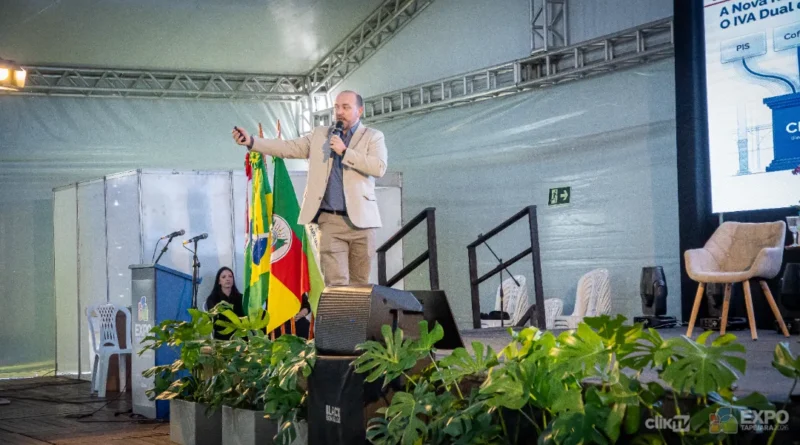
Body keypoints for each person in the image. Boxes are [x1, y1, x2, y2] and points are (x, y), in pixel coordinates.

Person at [231, 90, 388, 287]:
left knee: (360, 284)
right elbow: (287, 147)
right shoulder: (320, 135)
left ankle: (357, 310)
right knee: (336, 284)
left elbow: (378, 167)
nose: (340, 112)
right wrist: (253, 141)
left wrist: (345, 151)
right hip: (330, 220)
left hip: (363, 222)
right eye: (337, 107)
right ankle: (336, 309)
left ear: (360, 111)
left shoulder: (373, 136)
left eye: (346, 107)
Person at [204, 267, 244, 340]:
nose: (227, 279)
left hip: (240, 335)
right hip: (222, 335)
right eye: (224, 277)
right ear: (219, 281)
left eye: (230, 276)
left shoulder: (241, 298)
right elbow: (214, 321)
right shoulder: (212, 299)